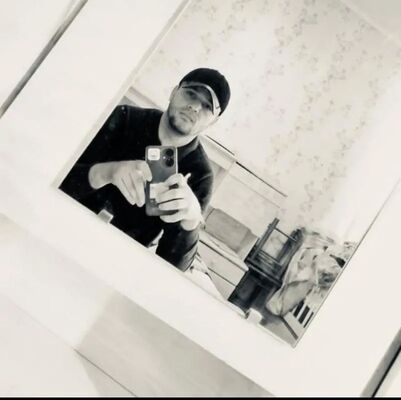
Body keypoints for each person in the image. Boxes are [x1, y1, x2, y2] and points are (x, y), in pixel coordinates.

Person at [60, 68, 231, 271]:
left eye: (207, 106)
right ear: (174, 92)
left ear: (214, 121)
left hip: (117, 262)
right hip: (64, 223)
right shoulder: (124, 118)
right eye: (191, 94)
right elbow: (54, 177)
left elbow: (172, 269)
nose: (194, 107)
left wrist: (191, 222)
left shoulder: (200, 174)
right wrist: (106, 172)